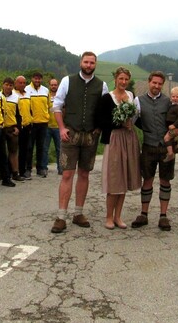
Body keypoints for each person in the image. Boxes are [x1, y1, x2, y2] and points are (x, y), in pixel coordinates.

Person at [51, 52, 109, 233]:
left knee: (84, 174)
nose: (89, 65)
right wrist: (61, 128)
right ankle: (61, 217)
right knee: (67, 174)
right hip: (71, 134)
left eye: (92, 62)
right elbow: (57, 105)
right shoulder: (67, 81)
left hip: (91, 136)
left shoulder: (102, 85)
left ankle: (78, 213)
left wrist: (99, 128)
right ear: (81, 62)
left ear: (95, 64)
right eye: (86, 62)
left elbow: (105, 110)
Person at [96, 67, 141, 229]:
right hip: (114, 138)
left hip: (129, 137)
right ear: (115, 79)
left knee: (125, 178)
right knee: (115, 178)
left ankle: (118, 217)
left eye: (126, 79)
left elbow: (136, 116)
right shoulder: (107, 98)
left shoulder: (130, 96)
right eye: (120, 79)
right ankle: (108, 216)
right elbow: (101, 121)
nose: (123, 82)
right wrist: (119, 122)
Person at [131, 71, 174, 231]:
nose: (156, 86)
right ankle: (144, 214)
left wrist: (173, 133)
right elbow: (133, 121)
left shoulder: (168, 102)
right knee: (147, 180)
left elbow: (176, 123)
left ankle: (163, 216)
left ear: (162, 85)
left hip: (165, 147)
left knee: (165, 180)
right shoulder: (138, 101)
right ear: (149, 82)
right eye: (154, 83)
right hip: (148, 146)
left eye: (159, 84)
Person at [26, 72, 51, 177]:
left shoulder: (45, 90)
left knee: (41, 147)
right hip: (31, 123)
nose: (37, 80)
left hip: (43, 123)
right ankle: (28, 169)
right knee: (29, 147)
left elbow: (49, 105)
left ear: (41, 79)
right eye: (35, 78)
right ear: (32, 79)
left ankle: (40, 168)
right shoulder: (27, 90)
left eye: (39, 79)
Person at [1, 77, 23, 182]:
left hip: (12, 127)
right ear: (3, 85)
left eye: (10, 85)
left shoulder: (16, 97)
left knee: (13, 151)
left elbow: (19, 115)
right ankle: (2, 173)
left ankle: (15, 173)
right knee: (1, 152)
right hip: (1, 127)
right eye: (6, 84)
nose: (8, 87)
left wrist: (18, 127)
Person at [15, 75, 34, 179]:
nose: (22, 85)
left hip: (27, 126)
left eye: (24, 83)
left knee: (25, 150)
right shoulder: (13, 94)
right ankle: (12, 171)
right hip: (17, 126)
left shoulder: (28, 94)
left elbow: (30, 109)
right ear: (15, 83)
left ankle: (22, 171)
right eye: (20, 83)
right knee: (13, 150)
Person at [43, 78, 62, 175]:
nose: (54, 86)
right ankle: (44, 168)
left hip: (58, 127)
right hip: (47, 126)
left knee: (59, 148)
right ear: (49, 85)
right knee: (45, 148)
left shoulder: (61, 96)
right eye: (52, 85)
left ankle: (61, 168)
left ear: (58, 85)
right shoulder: (46, 96)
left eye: (55, 85)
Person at [163, 86, 178, 162]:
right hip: (171, 126)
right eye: (173, 96)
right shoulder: (172, 105)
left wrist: (174, 125)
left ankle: (170, 154)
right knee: (173, 138)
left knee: (166, 138)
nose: (175, 98)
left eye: (177, 97)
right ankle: (175, 147)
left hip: (174, 127)